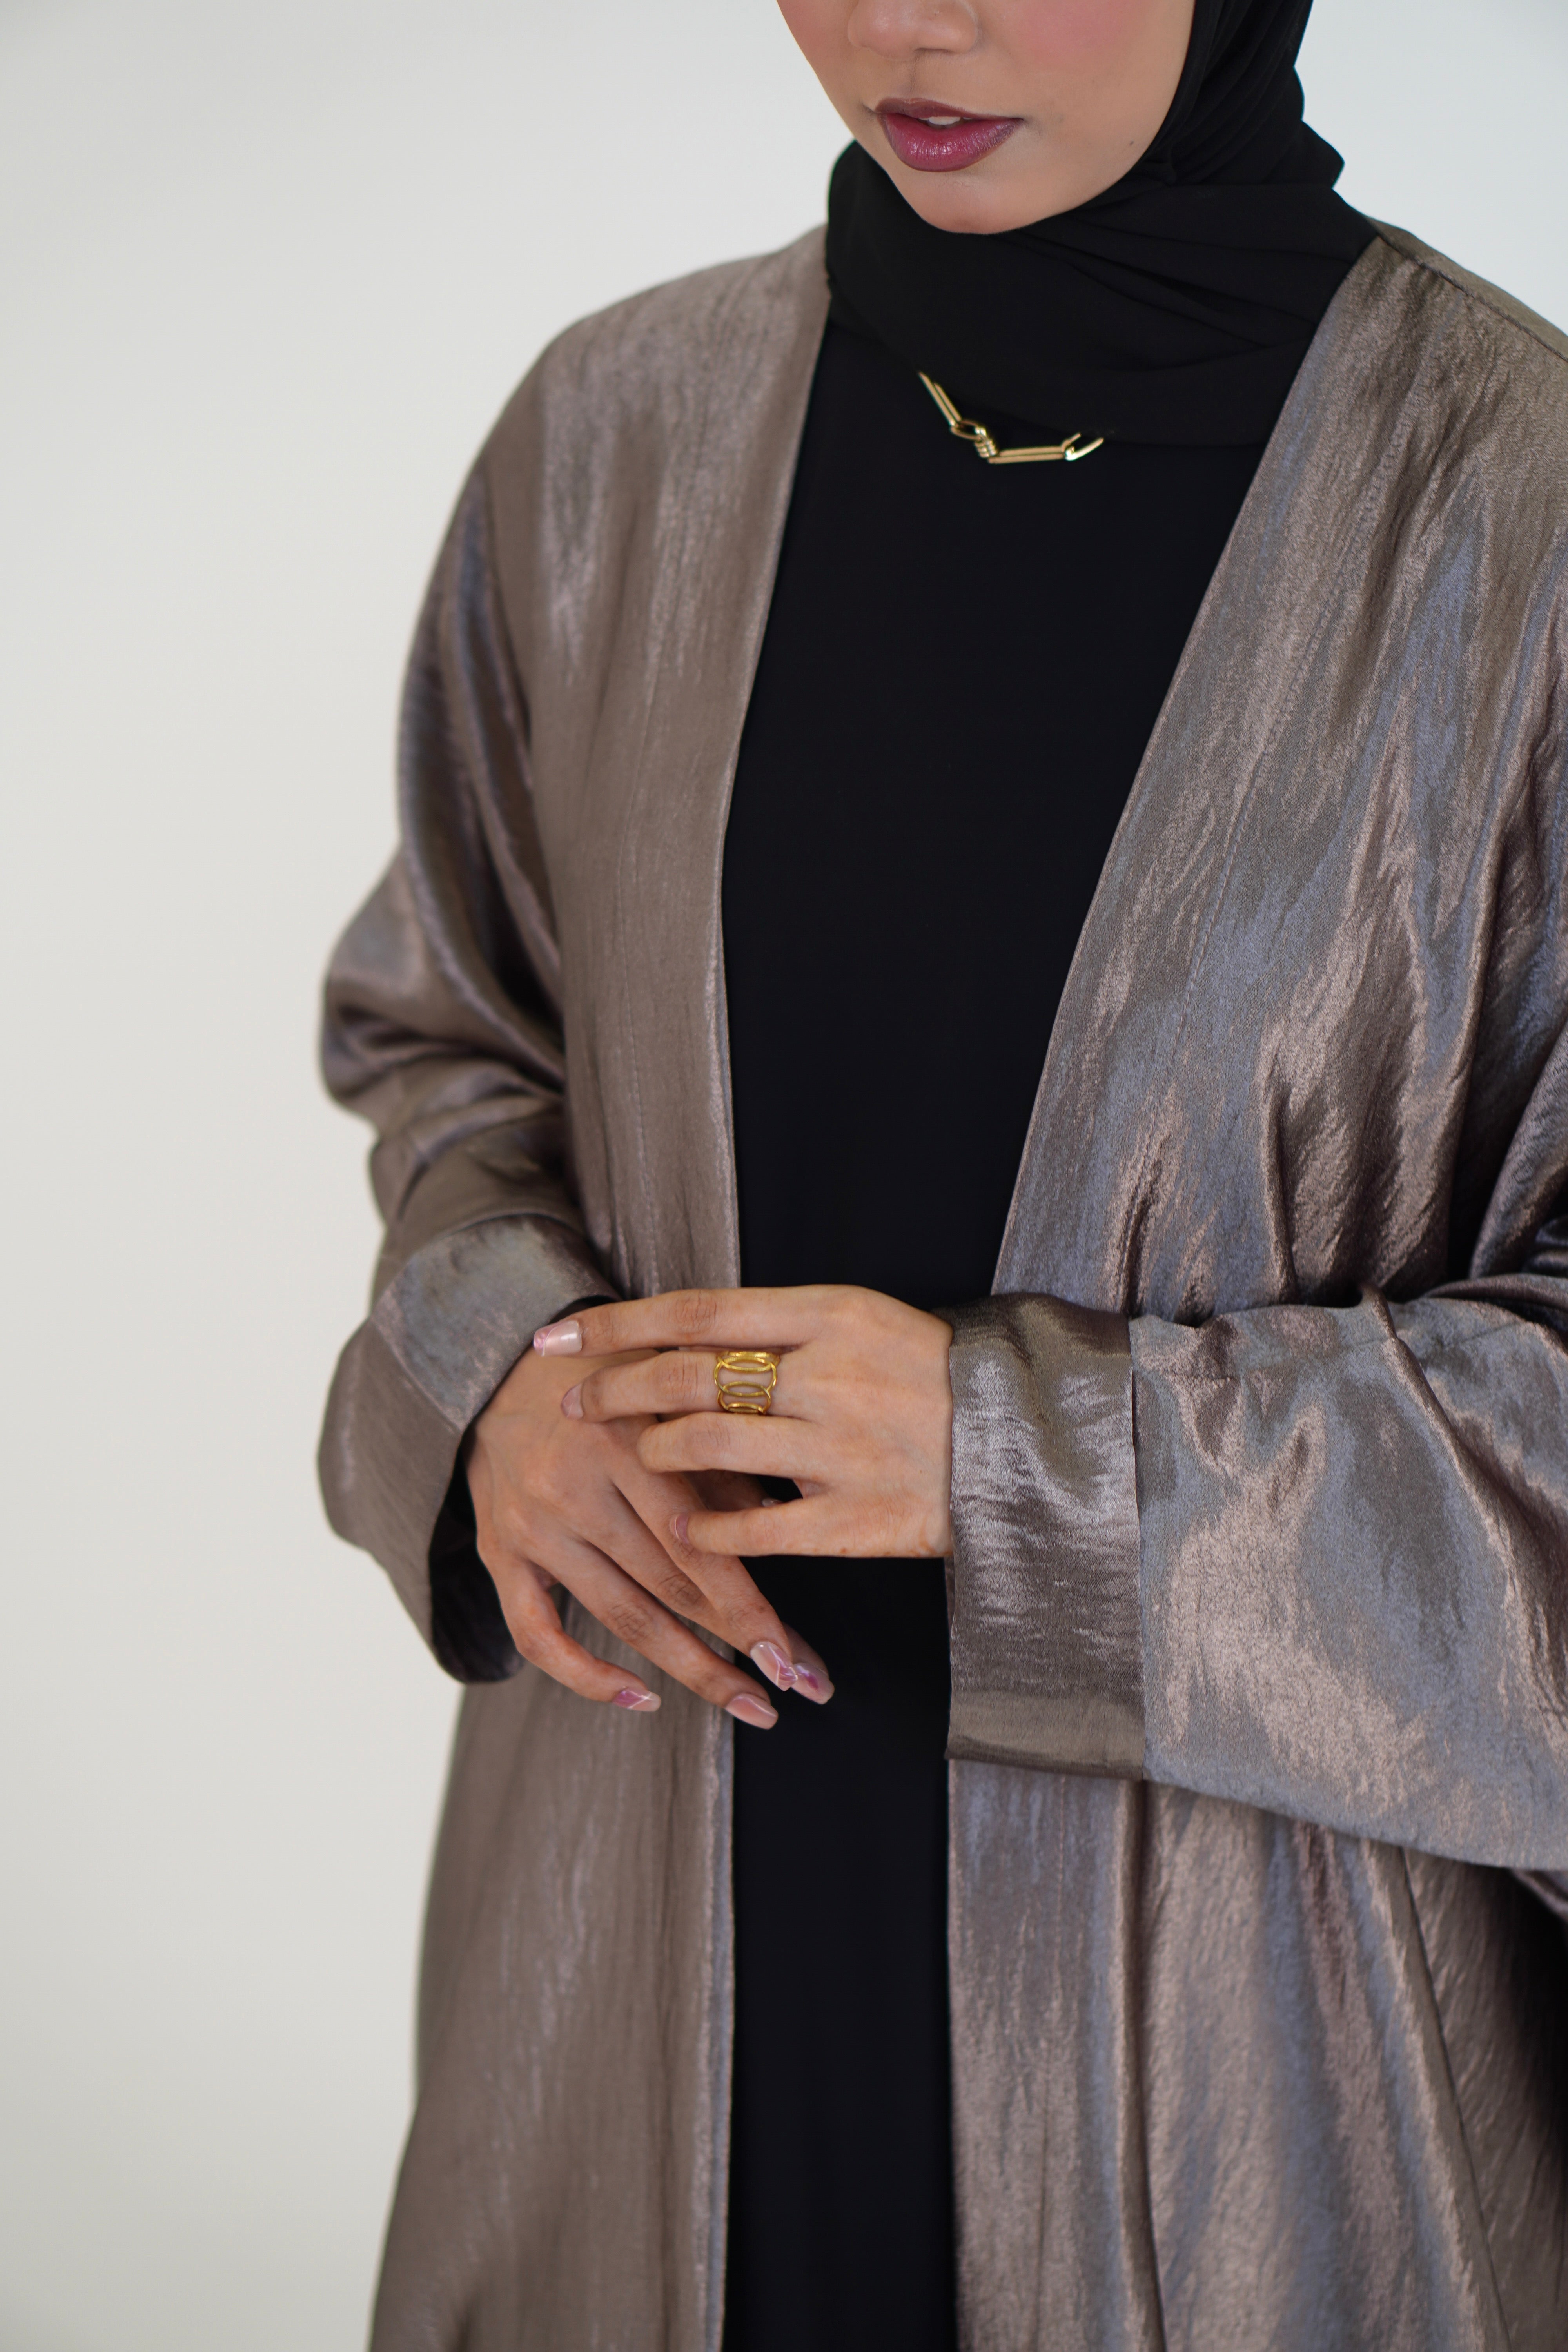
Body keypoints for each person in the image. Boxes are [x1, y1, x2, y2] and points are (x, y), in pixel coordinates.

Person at [318, 0, 1568, 2342]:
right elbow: (455, 1036)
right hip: (640, 1953)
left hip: (1251, 2053)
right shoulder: (615, 445)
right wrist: (509, 1376)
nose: (921, 21)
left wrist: (1029, 1468)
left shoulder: (1523, 521)